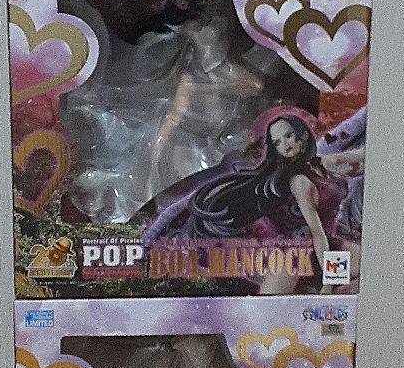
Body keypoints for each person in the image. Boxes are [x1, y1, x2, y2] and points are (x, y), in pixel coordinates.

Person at [138, 114, 335, 293]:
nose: (284, 144)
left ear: (303, 135)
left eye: (289, 135)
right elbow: (317, 233)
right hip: (266, 249)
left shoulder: (312, 171)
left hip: (278, 250)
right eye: (277, 142)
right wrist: (329, 281)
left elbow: (319, 233)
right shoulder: (294, 182)